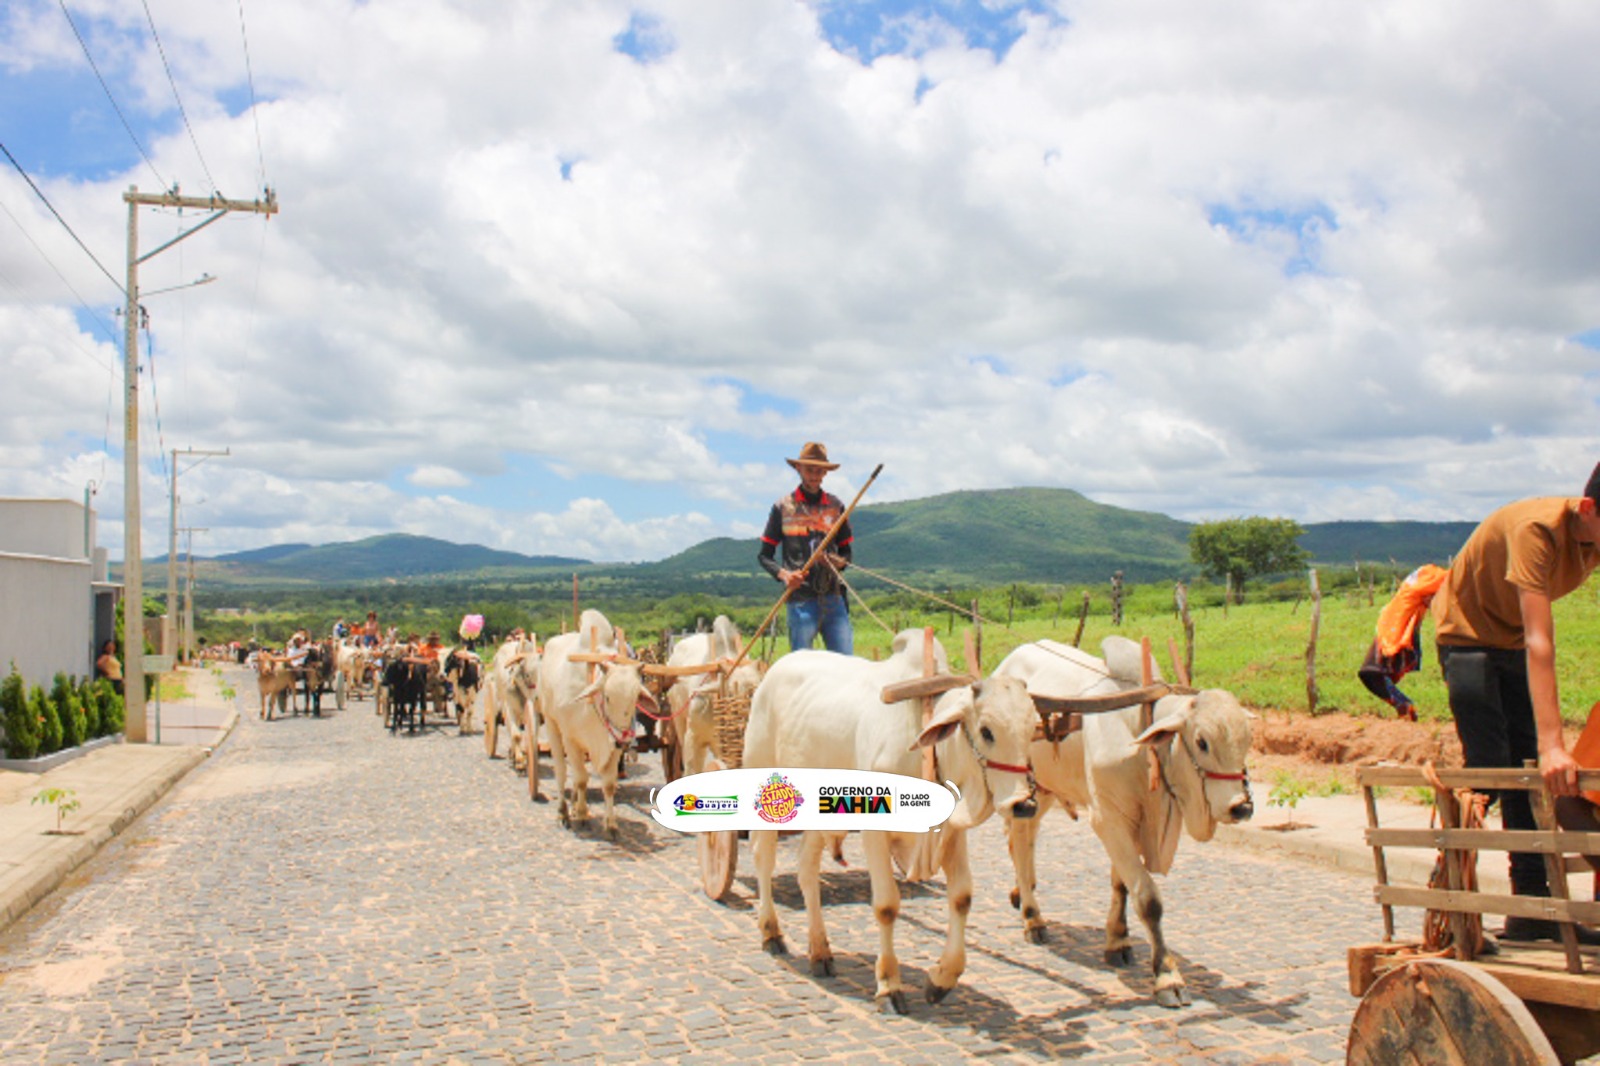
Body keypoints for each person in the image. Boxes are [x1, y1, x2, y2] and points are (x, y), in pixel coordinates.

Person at [1432, 462, 1600, 943]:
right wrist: (1554, 745)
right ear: (1588, 509)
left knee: (1529, 779)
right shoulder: (1537, 530)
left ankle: (1531, 910)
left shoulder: (1593, 537)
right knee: (1487, 771)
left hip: (1509, 644)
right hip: (1467, 639)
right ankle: (1455, 912)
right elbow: (1539, 641)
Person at [758, 441, 854, 654]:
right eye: (809, 469)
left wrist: (836, 562)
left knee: (847, 662)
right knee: (801, 666)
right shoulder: (783, 507)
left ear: (825, 473)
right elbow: (764, 556)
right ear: (798, 469)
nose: (814, 475)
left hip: (834, 598)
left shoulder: (836, 506)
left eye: (819, 471)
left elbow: (847, 553)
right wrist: (785, 576)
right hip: (800, 601)